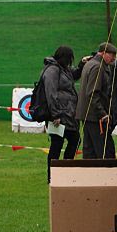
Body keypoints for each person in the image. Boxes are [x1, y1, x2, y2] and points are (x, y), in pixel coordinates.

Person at [40, 45, 80, 181]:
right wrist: (55, 115)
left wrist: (81, 65)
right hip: (57, 116)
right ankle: (53, 175)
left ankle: (62, 172)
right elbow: (50, 93)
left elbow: (72, 76)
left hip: (66, 114)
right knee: (58, 144)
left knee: (73, 140)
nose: (70, 62)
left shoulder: (62, 69)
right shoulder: (52, 70)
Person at [77, 41, 117, 160]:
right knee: (105, 152)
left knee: (90, 152)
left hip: (87, 115)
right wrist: (103, 114)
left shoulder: (90, 64)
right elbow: (93, 93)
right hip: (95, 117)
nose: (114, 58)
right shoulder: (98, 67)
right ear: (103, 53)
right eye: (111, 54)